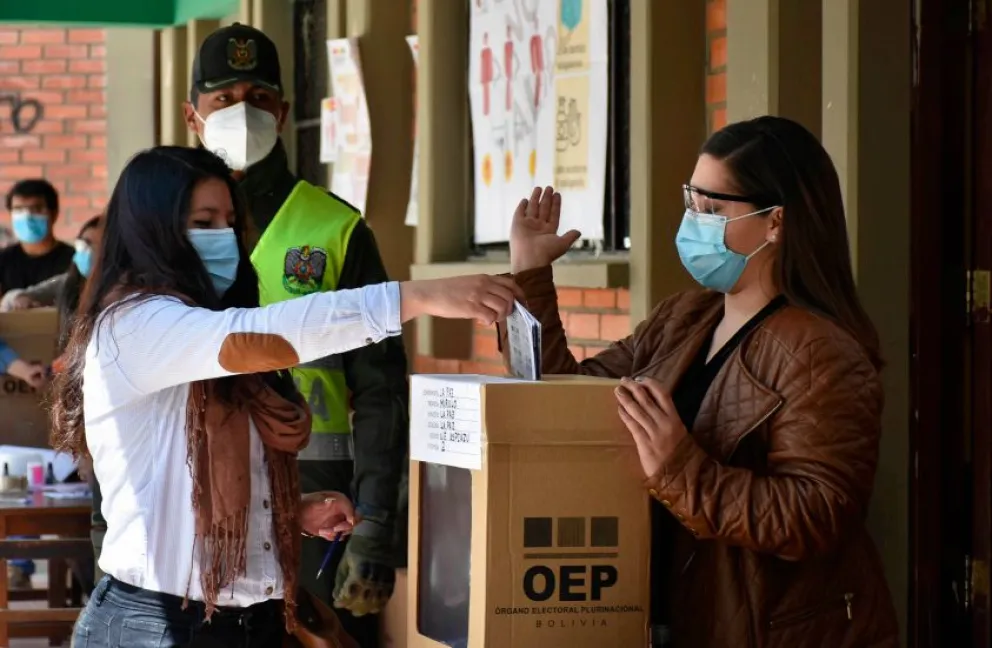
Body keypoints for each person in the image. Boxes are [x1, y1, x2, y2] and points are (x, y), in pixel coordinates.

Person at [50, 145, 521, 647]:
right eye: (203, 221)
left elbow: (188, 489)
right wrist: (416, 297)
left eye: (230, 220)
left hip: (247, 621)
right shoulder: (135, 323)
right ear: (152, 229)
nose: (225, 237)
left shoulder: (201, 336)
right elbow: (262, 336)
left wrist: (287, 511)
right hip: (158, 625)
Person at [504, 117, 899, 647]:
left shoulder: (821, 352)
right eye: (691, 201)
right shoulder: (685, 317)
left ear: (774, 222)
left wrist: (680, 469)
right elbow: (567, 398)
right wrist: (529, 275)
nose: (693, 222)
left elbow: (818, 514)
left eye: (712, 210)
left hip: (762, 629)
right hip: (662, 614)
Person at [183, 23, 407, 642]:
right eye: (223, 99)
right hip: (193, 504)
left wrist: (376, 526)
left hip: (322, 505)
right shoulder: (164, 230)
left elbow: (382, 388)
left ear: (283, 111)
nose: (242, 112)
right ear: (192, 115)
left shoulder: (335, 229)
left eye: (258, 98)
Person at [0, 179, 74, 296]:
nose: (27, 216)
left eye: (36, 209)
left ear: (54, 214)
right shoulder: (3, 260)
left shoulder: (73, 261)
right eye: (18, 209)